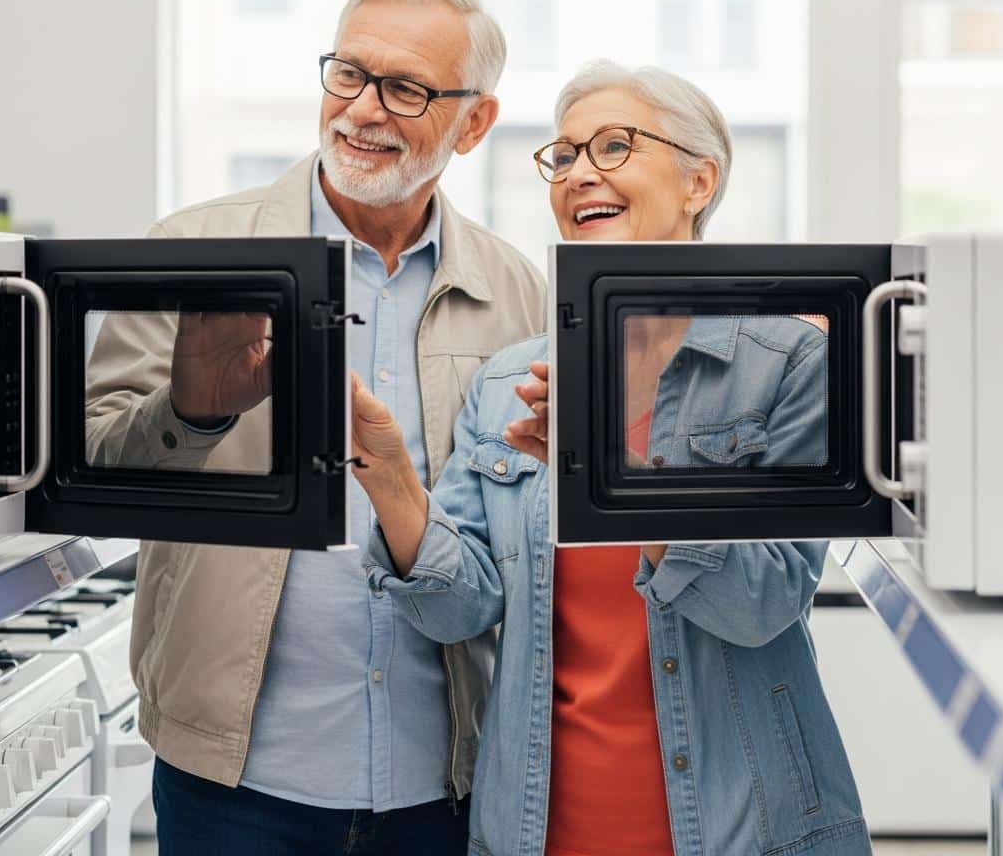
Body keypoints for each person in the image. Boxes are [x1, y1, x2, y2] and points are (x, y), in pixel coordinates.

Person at [353, 60, 871, 856]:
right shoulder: (509, 381)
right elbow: (463, 608)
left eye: (614, 146)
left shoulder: (789, 363)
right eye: (563, 157)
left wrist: (610, 471)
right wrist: (388, 478)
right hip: (540, 828)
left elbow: (764, 600)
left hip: (745, 828)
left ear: (700, 182)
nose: (579, 173)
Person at [84, 0, 546, 855]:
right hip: (235, 784)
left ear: (474, 122)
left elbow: (518, 536)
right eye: (348, 73)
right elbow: (99, 472)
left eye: (405, 88)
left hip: (442, 782)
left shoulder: (516, 292)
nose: (362, 109)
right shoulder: (191, 252)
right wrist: (192, 413)